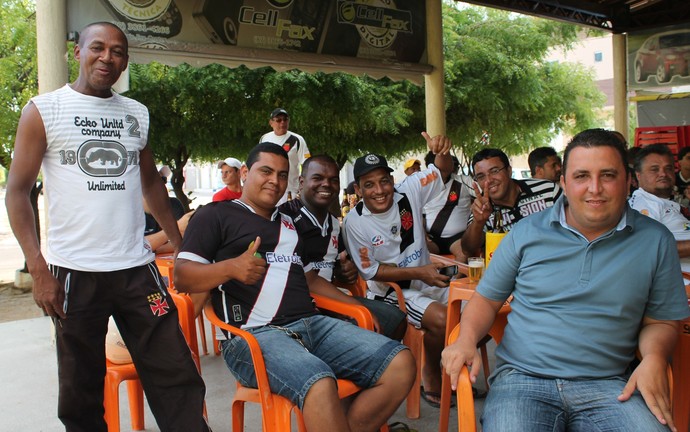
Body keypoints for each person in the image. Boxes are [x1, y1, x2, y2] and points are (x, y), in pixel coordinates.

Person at [4, 22, 209, 431]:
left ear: (125, 62)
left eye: (117, 51)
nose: (107, 57)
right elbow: (17, 192)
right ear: (77, 52)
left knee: (176, 373)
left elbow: (151, 182)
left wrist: (181, 246)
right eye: (97, 48)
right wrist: (39, 268)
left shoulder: (136, 113)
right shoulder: (44, 110)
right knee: (81, 390)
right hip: (73, 274)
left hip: (136, 270)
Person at [442, 128, 689, 432]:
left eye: (608, 175)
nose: (594, 188)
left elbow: (661, 321)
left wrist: (654, 357)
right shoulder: (527, 233)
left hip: (609, 385)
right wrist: (465, 340)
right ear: (564, 183)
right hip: (522, 381)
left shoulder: (655, 240)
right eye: (582, 176)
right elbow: (486, 299)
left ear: (628, 181)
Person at [174, 143, 415, 432]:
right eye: (266, 171)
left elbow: (310, 278)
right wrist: (231, 268)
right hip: (253, 337)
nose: (274, 181)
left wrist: (356, 306)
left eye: (281, 174)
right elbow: (182, 276)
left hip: (312, 324)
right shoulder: (216, 215)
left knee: (400, 363)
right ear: (244, 173)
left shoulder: (288, 224)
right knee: (320, 382)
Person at [342, 132, 455, 407]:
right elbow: (373, 272)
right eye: (369, 185)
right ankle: (431, 372)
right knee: (442, 319)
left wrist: (441, 151)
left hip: (427, 279)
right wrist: (421, 272)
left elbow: (442, 170)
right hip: (393, 294)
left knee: (480, 308)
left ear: (392, 181)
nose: (379, 190)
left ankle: (443, 359)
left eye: (384, 181)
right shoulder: (354, 223)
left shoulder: (409, 190)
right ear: (358, 189)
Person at [279, 155, 407, 340]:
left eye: (333, 180)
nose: (326, 184)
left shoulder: (334, 223)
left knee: (394, 319)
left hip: (330, 298)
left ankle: (375, 365)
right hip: (301, 306)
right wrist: (354, 306)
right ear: (301, 182)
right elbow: (304, 278)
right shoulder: (285, 218)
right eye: (318, 178)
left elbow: (340, 263)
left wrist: (345, 270)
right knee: (361, 325)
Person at [461, 148, 562, 258]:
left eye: (494, 171)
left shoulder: (548, 191)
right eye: (481, 176)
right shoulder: (482, 209)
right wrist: (479, 222)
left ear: (509, 171)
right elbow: (468, 250)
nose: (488, 180)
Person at [629, 144, 690, 276]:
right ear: (638, 175)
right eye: (654, 169)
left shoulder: (663, 201)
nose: (663, 174)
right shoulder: (644, 203)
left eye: (668, 168)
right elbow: (647, 247)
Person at [422, 150, 474, 261]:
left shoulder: (463, 181)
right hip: (432, 238)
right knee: (415, 251)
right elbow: (420, 215)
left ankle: (454, 278)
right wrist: (422, 232)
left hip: (458, 238)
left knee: (464, 253)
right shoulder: (423, 187)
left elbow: (484, 195)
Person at [259, 108, 310, 203]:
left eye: (285, 119)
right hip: (269, 189)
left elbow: (307, 165)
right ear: (271, 123)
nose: (282, 122)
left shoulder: (297, 140)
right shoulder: (264, 138)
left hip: (290, 192)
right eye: (278, 120)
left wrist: (303, 187)